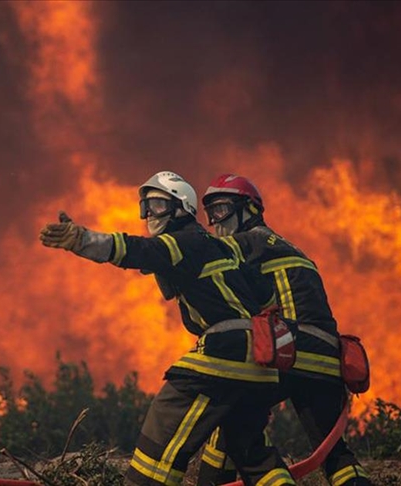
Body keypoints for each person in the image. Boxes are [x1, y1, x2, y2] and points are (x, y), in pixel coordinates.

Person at [39, 171, 295, 486]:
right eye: (145, 206)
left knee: (162, 429)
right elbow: (266, 295)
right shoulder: (220, 247)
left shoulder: (183, 240)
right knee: (251, 451)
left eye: (159, 205)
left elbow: (138, 251)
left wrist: (82, 240)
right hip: (259, 363)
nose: (149, 215)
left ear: (181, 209)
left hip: (224, 352)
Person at [195, 174, 372, 486]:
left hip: (288, 352)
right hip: (327, 358)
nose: (215, 221)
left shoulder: (246, 243)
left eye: (221, 210)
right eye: (210, 213)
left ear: (248, 209)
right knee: (334, 453)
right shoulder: (292, 248)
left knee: (238, 428)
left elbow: (203, 259)